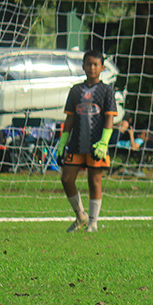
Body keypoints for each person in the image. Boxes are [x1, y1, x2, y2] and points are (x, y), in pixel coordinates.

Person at [56, 49, 117, 233]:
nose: (92, 68)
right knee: (66, 178)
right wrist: (62, 142)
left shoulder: (106, 91)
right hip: (76, 144)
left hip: (96, 145)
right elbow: (70, 119)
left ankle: (93, 223)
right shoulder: (76, 90)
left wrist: (104, 142)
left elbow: (109, 118)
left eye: (95, 64)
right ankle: (80, 215)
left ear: (102, 68)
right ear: (83, 66)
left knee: (94, 181)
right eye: (88, 64)